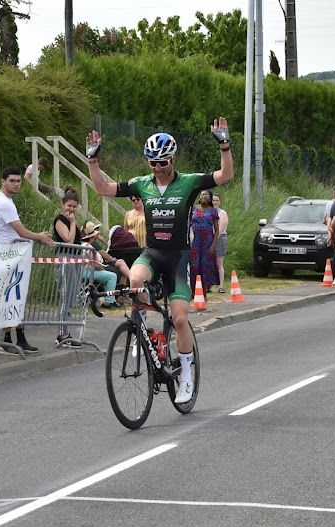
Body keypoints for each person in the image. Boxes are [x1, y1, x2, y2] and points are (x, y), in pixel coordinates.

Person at [86, 117, 233, 404]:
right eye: (152, 163)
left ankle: (187, 376)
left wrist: (224, 146)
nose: (157, 168)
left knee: (179, 319)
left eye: (163, 163)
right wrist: (93, 161)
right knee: (136, 278)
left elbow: (224, 176)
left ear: (173, 160)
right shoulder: (142, 185)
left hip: (179, 257)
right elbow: (103, 189)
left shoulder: (188, 183)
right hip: (152, 253)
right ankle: (141, 328)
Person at [0, 166, 55, 355]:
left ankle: (20, 338)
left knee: (17, 297)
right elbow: (21, 231)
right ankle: (6, 342)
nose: (16, 184)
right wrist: (40, 237)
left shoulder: (2, 199)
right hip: (8, 256)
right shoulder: (4, 203)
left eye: (18, 181)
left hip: (12, 255)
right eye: (12, 181)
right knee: (11, 298)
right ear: (3, 181)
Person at [51, 188, 83, 348]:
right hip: (65, 260)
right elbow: (68, 240)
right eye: (69, 205)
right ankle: (62, 334)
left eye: (74, 206)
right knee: (65, 298)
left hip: (75, 260)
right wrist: (72, 223)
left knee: (71, 298)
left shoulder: (72, 222)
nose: (71, 209)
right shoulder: (60, 221)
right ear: (62, 205)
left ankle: (66, 333)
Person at [81, 221, 131, 304]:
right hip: (92, 269)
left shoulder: (88, 245)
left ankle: (116, 297)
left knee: (119, 266)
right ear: (92, 236)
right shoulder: (89, 247)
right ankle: (110, 301)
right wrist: (103, 268)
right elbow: (95, 264)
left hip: (94, 268)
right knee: (113, 275)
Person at [190, 190, 220, 295]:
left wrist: (213, 246)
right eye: (202, 195)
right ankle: (193, 292)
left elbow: (217, 231)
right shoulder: (193, 209)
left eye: (206, 195)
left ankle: (203, 293)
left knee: (205, 266)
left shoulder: (213, 211)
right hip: (194, 242)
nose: (204, 197)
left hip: (207, 242)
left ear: (210, 198)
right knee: (194, 266)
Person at [212, 192, 230, 293]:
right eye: (213, 200)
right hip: (207, 239)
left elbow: (221, 229)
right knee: (208, 263)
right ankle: (208, 286)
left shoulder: (222, 213)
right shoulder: (207, 212)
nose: (215, 202)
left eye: (216, 200)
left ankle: (221, 286)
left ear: (219, 202)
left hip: (219, 239)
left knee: (219, 263)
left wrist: (213, 241)